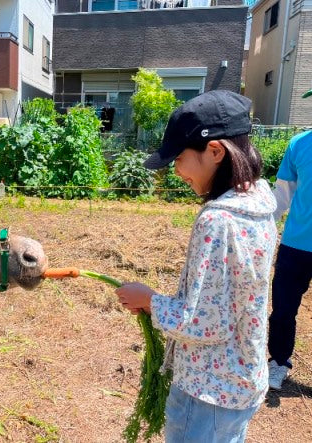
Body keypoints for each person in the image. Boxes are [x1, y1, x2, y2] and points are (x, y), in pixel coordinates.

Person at [115, 90, 277, 442]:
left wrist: (148, 299)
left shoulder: (218, 220)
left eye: (178, 159)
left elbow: (203, 323)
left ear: (215, 151)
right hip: (240, 380)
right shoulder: (260, 203)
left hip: (208, 390)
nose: (175, 171)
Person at [266, 88, 312, 390]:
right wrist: (264, 229)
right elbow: (282, 198)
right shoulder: (298, 144)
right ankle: (278, 361)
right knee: (283, 308)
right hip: (296, 245)